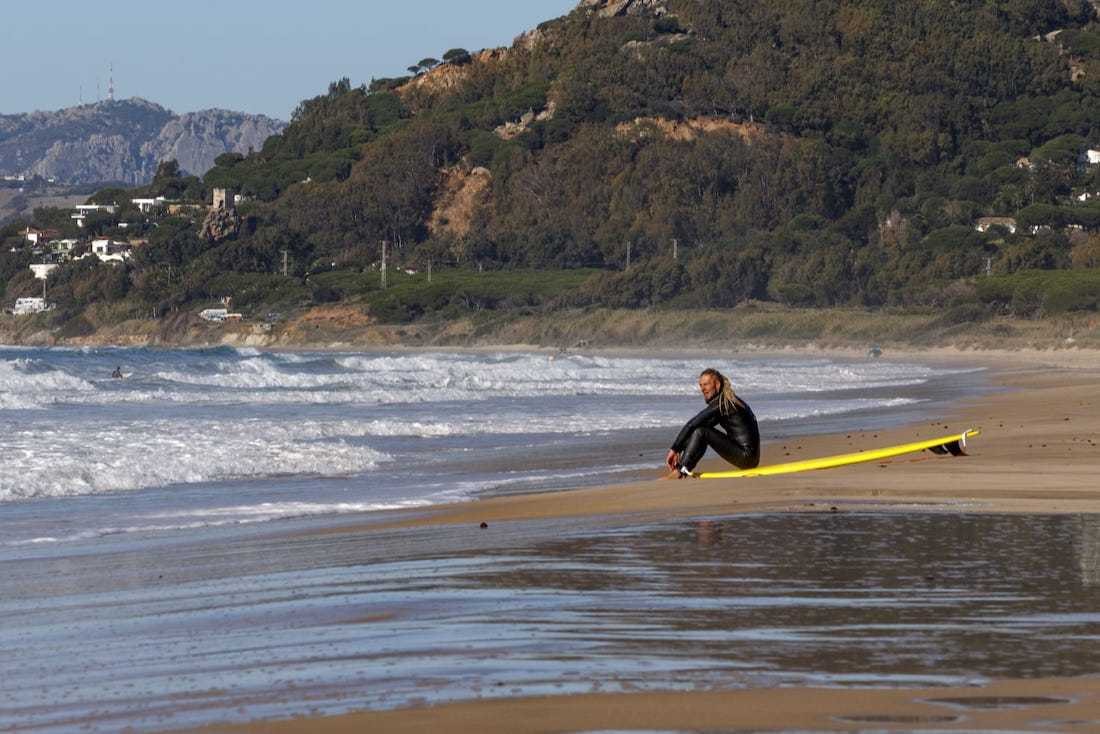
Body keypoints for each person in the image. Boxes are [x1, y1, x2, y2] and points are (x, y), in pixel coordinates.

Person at [665, 368, 760, 479]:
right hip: (749, 457)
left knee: (701, 432)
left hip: (746, 457)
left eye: (706, 384)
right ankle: (681, 468)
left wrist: (674, 449)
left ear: (717, 384)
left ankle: (680, 471)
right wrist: (680, 449)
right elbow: (699, 427)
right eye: (700, 385)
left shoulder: (722, 404)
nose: (702, 389)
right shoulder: (728, 401)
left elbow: (693, 423)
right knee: (702, 430)